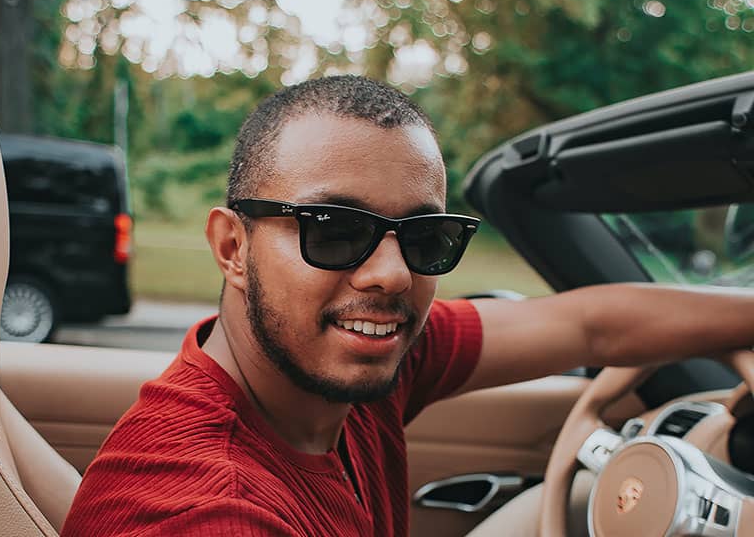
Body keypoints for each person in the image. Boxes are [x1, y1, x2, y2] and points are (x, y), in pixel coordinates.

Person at [62, 75, 754, 537]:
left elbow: (590, 326)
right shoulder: (206, 511)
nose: (392, 275)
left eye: (426, 238)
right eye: (334, 230)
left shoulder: (346, 361)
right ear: (232, 247)